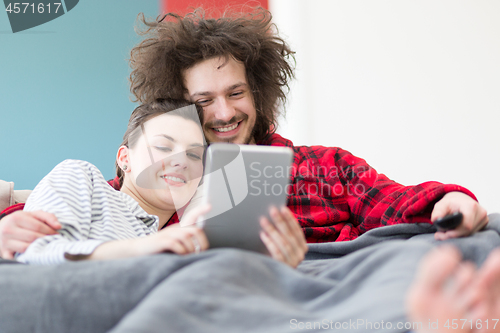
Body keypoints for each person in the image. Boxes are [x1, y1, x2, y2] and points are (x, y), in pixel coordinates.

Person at [0, 7, 488, 257]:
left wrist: (450, 201)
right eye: (202, 101)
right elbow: (93, 214)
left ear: (257, 93)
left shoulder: (323, 166)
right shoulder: (167, 185)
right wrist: (8, 224)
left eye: (235, 93)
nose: (224, 113)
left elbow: (398, 203)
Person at [14, 99, 307, 267]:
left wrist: (277, 268)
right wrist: (144, 249)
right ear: (124, 158)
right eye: (164, 148)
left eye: (194, 154)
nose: (181, 161)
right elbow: (35, 256)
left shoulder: (196, 230)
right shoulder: (80, 176)